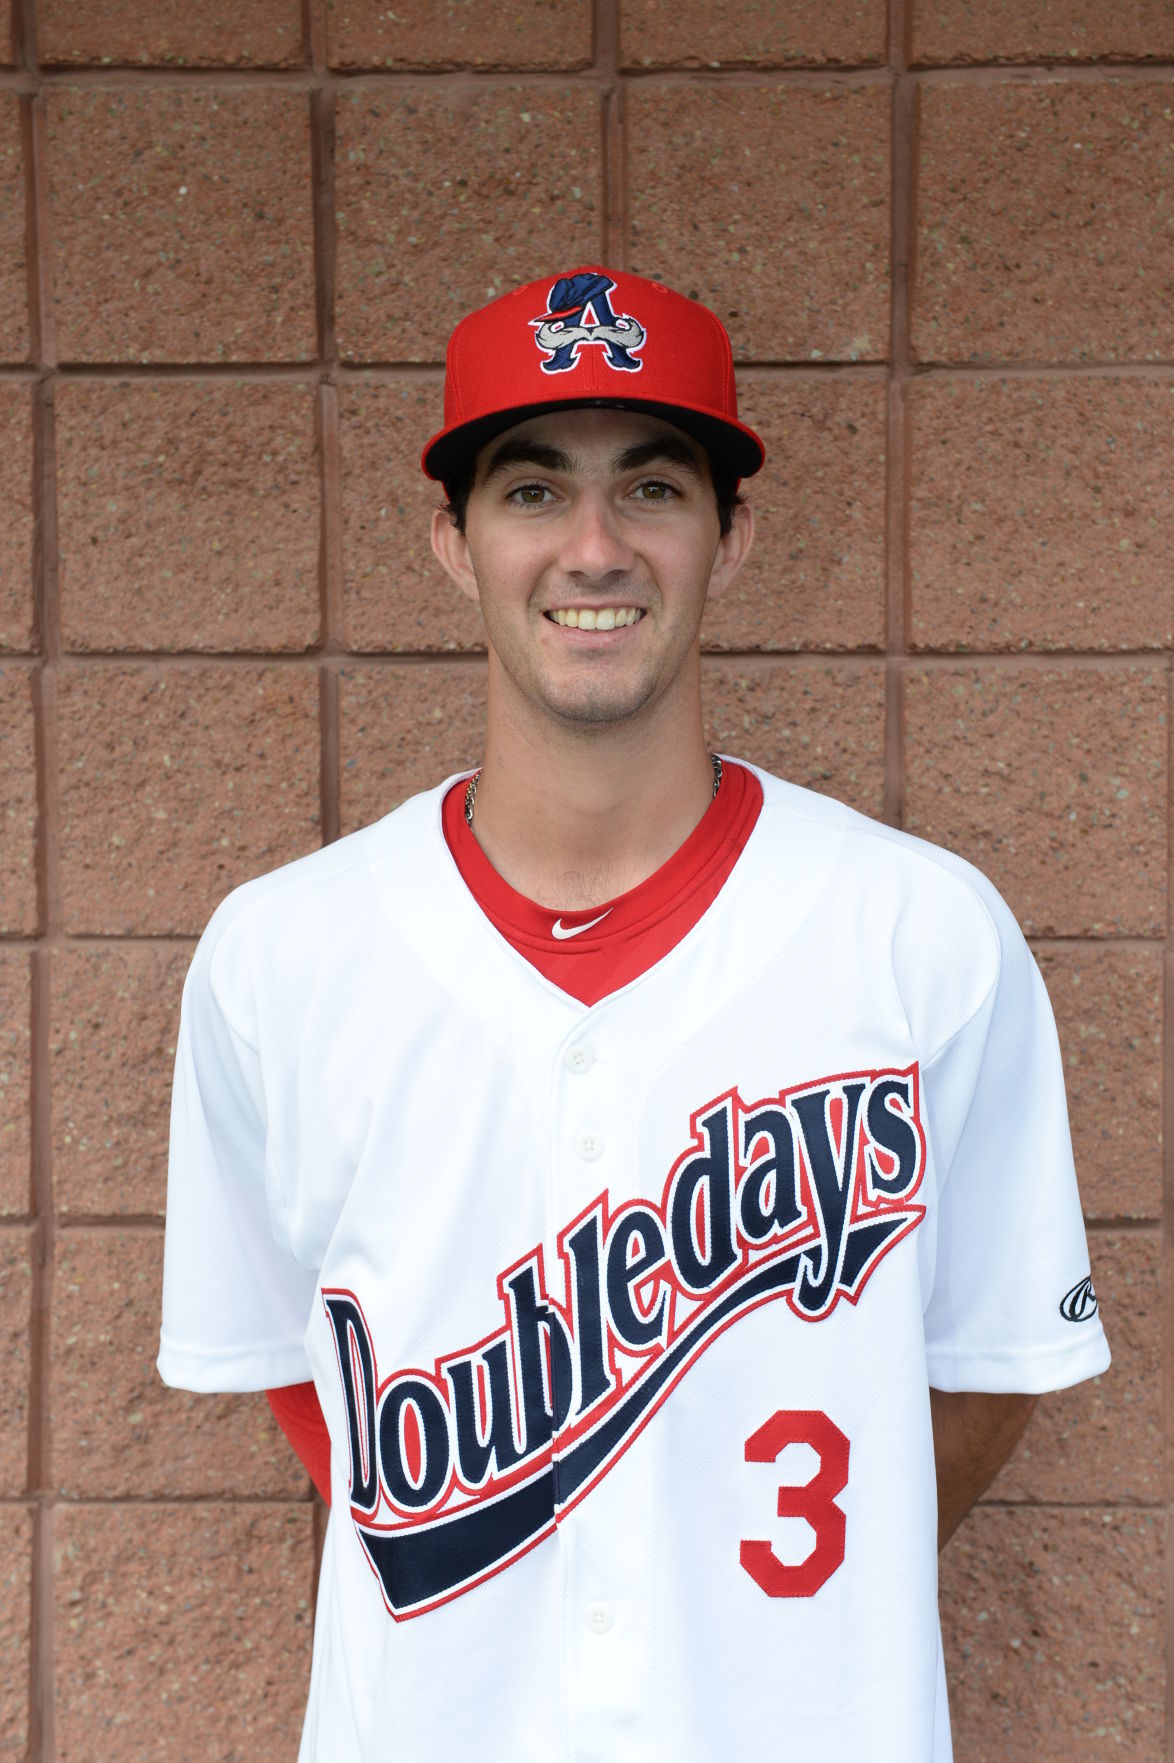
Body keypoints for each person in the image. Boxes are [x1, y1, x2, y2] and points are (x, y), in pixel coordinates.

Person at [158, 268, 1110, 1761]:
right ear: (449, 541)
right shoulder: (282, 953)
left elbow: (988, 1369)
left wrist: (765, 1620)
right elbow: (291, 1368)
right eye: (531, 489)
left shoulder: (919, 933)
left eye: (650, 486)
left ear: (731, 537)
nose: (591, 549)